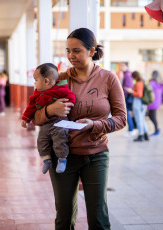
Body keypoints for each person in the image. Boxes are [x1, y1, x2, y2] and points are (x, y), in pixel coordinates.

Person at [33, 28, 126, 229]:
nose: (70, 56)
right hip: (62, 156)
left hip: (97, 154)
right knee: (64, 217)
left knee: (98, 217)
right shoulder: (59, 79)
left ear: (91, 50)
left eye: (76, 51)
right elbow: (36, 118)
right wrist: (50, 109)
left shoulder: (108, 78)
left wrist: (95, 125)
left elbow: (121, 119)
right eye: (68, 51)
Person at [21, 63, 76, 174]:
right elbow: (31, 106)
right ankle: (46, 160)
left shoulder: (61, 89)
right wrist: (25, 118)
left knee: (60, 138)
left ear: (46, 81)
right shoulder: (37, 93)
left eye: (36, 80)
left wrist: (68, 104)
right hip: (46, 124)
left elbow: (71, 97)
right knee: (41, 140)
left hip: (60, 121)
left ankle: (62, 159)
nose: (34, 83)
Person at [126, 71, 149, 142]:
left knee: (138, 119)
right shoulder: (143, 82)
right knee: (142, 119)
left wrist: (131, 92)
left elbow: (139, 94)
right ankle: (146, 135)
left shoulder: (138, 83)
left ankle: (141, 135)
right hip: (143, 103)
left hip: (138, 103)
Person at [120, 62, 136, 137]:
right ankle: (132, 129)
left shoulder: (128, 74)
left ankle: (131, 130)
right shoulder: (126, 73)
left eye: (122, 66)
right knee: (129, 113)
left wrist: (123, 97)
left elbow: (127, 87)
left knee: (127, 114)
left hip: (127, 96)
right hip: (127, 96)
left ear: (126, 66)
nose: (121, 67)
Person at [147, 70, 163, 136]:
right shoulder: (160, 83)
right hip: (157, 102)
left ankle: (157, 130)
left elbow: (148, 90)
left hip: (152, 102)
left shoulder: (152, 83)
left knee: (152, 117)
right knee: (152, 116)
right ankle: (157, 129)